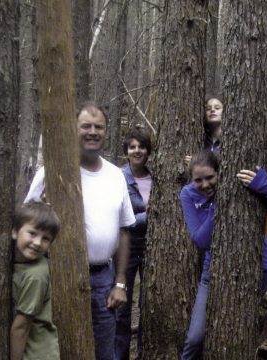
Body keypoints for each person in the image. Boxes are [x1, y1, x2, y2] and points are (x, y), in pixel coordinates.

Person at [24, 103, 135, 360]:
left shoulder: (116, 175)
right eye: (85, 126)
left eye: (99, 127)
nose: (92, 132)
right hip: (58, 276)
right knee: (61, 349)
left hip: (103, 279)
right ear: (74, 130)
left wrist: (120, 283)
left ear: (107, 132)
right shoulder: (52, 172)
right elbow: (27, 221)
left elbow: (125, 231)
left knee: (104, 351)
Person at [180, 151, 267, 359]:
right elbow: (200, 240)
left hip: (259, 265)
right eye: (198, 180)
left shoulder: (243, 181)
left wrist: (263, 186)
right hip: (211, 269)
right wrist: (219, 206)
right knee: (195, 338)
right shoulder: (188, 194)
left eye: (210, 177)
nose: (205, 184)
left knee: (235, 329)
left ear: (220, 172)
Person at [115, 129, 153, 360]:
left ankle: (143, 353)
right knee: (122, 309)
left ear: (148, 151)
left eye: (141, 147)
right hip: (126, 247)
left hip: (152, 247)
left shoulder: (157, 176)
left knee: (149, 305)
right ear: (126, 152)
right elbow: (120, 219)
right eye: (132, 147)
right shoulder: (118, 177)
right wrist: (147, 216)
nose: (137, 151)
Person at [10, 201, 61, 360]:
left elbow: (21, 327)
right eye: (32, 233)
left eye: (46, 238)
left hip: (37, 354)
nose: (37, 242)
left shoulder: (35, 275)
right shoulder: (16, 263)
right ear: (15, 232)